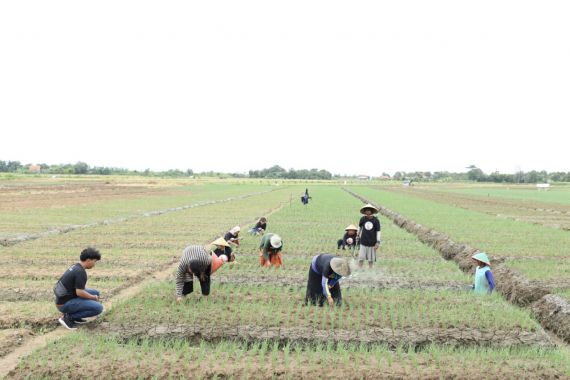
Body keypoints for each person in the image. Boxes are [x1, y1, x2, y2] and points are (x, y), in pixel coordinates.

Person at [53, 247, 103, 330]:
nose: (94, 264)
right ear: (88, 260)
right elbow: (79, 292)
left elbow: (78, 290)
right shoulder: (80, 272)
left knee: (95, 293)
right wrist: (92, 298)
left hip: (65, 298)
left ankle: (76, 317)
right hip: (63, 304)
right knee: (98, 308)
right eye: (94, 261)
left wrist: (92, 296)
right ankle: (68, 317)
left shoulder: (76, 266)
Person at [175, 237, 235, 303]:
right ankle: (184, 296)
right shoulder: (182, 265)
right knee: (187, 278)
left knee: (204, 278)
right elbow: (179, 280)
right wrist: (178, 296)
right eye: (191, 272)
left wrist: (203, 273)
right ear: (188, 267)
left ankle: (205, 297)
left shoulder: (206, 260)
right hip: (188, 250)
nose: (193, 275)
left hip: (201, 253)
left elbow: (211, 264)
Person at [357, 203, 381, 269]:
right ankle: (359, 269)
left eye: (368, 210)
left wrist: (378, 242)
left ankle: (370, 270)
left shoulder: (376, 220)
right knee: (361, 258)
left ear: (372, 211)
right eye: (366, 210)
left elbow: (378, 231)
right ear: (364, 212)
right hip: (363, 241)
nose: (367, 212)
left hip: (372, 242)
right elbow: (359, 227)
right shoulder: (362, 219)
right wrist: (357, 235)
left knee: (371, 259)